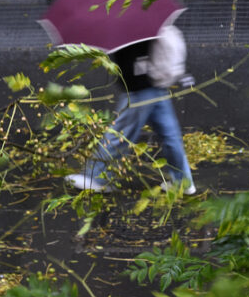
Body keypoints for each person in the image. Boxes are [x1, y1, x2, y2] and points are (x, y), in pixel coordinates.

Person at [65, 31, 196, 195]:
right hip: (156, 85)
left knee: (119, 133)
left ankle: (96, 178)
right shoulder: (143, 24)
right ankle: (183, 182)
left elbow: (133, 57)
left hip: (139, 88)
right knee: (170, 136)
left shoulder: (131, 29)